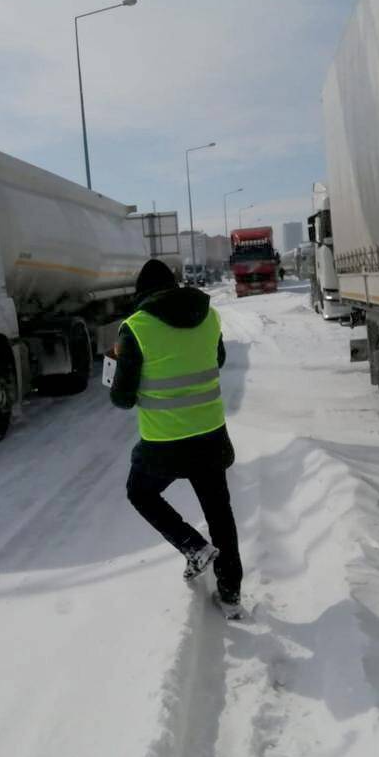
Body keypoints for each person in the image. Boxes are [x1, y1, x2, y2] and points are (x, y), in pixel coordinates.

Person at [110, 259, 244, 618]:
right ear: (175, 286)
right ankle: (230, 592)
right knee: (219, 512)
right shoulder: (209, 316)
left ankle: (193, 546)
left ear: (142, 294)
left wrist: (122, 363)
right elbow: (217, 360)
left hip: (164, 442)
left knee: (140, 492)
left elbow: (121, 399)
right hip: (210, 435)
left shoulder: (135, 329)